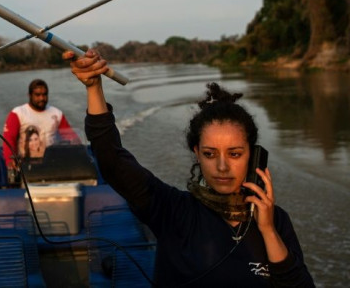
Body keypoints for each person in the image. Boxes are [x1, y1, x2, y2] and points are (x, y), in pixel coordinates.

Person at [64, 49, 315, 287]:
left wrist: (268, 231)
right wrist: (94, 87)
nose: (222, 166)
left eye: (235, 154)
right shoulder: (173, 211)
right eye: (210, 153)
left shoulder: (275, 219)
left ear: (254, 156)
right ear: (197, 154)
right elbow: (112, 161)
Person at [2, 79, 80, 170]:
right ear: (29, 95)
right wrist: (10, 160)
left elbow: (70, 136)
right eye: (37, 95)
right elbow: (8, 139)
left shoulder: (57, 113)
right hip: (26, 164)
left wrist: (78, 151)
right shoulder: (18, 113)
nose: (42, 98)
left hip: (52, 163)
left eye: (44, 94)